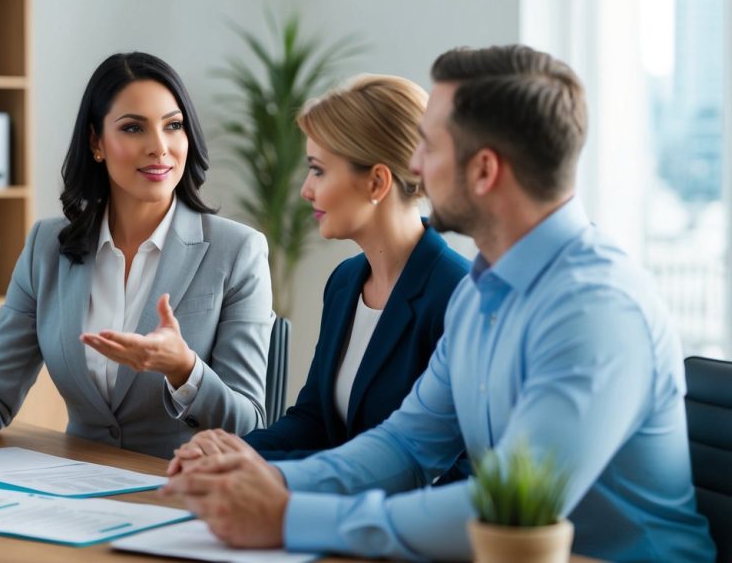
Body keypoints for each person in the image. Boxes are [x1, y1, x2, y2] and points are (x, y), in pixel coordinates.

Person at [163, 45, 716, 562]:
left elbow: (507, 511)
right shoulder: (482, 291)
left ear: (484, 170)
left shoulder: (596, 311)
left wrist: (288, 516)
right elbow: (406, 446)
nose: (415, 167)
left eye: (428, 145)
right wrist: (267, 480)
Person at [0, 52, 274, 459]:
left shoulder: (237, 251)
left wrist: (185, 369)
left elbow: (250, 424)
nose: (159, 147)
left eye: (173, 126)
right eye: (133, 128)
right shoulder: (47, 246)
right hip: (76, 485)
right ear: (96, 142)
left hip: (180, 491)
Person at [168, 74, 468, 469]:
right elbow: (314, 421)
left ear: (377, 181)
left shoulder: (457, 293)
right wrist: (235, 450)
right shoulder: (345, 283)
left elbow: (449, 467)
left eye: (319, 170)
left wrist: (265, 472)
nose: (306, 190)